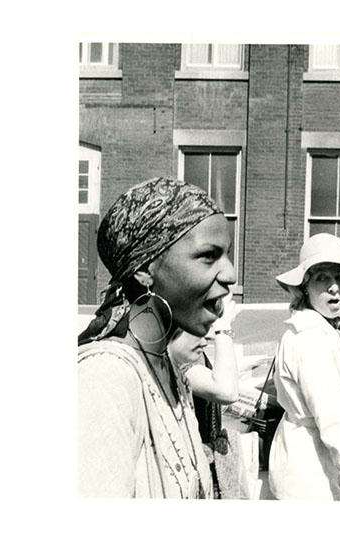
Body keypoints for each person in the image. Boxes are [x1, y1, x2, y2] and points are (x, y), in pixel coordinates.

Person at [77, 177, 236, 499]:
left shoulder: (170, 371)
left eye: (227, 255)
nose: (230, 274)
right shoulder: (105, 378)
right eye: (209, 255)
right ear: (145, 269)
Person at [267, 233, 340, 501]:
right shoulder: (310, 337)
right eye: (322, 278)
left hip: (310, 458)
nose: (334, 287)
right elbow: (331, 416)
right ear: (304, 287)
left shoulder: (323, 329)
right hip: (309, 468)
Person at [168, 295, 251, 498]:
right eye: (199, 325)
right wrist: (223, 329)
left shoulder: (186, 358)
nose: (205, 335)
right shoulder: (176, 363)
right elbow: (226, 390)